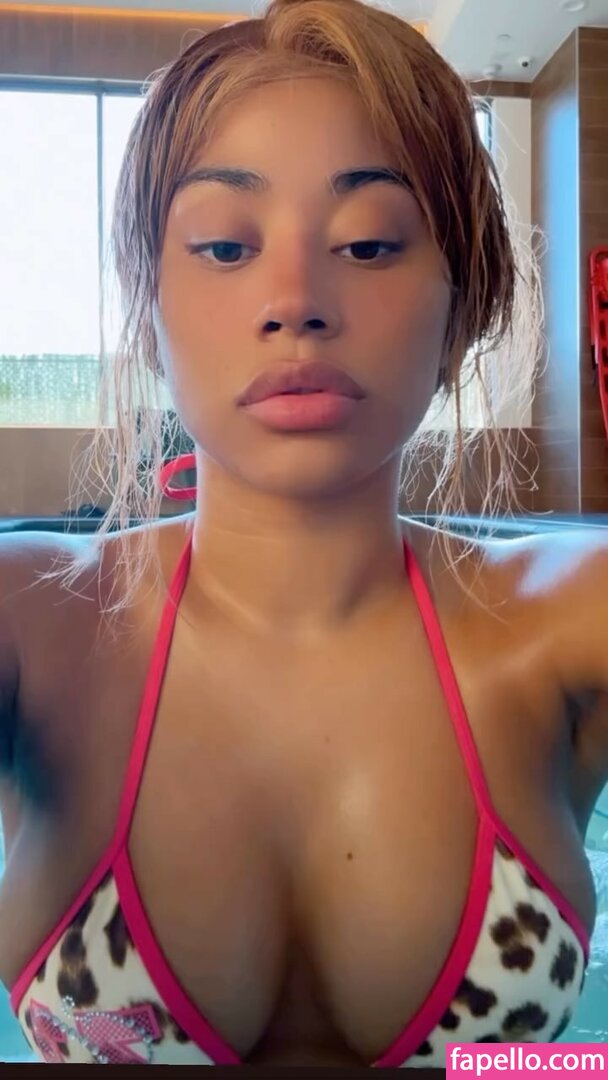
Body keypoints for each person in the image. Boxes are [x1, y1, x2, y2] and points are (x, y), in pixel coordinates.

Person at [0, 0, 605, 1067]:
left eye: (367, 242)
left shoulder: (568, 622)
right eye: (224, 246)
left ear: (463, 303)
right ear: (148, 307)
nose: (294, 302)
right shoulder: (34, 624)